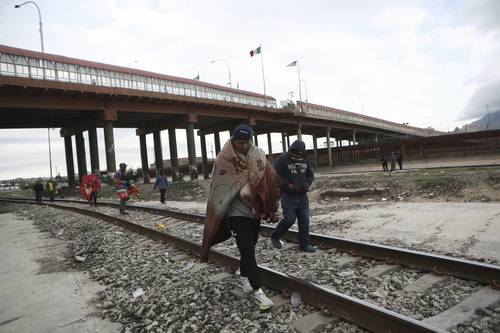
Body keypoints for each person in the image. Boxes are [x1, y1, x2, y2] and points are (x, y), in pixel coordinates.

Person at [201, 124, 281, 311]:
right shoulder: (224, 159)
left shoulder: (258, 155)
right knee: (246, 248)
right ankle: (257, 290)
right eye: (240, 142)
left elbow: (270, 177)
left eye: (247, 142)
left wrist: (256, 192)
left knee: (250, 245)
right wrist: (240, 189)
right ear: (233, 140)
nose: (244, 146)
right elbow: (219, 186)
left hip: (253, 211)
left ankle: (244, 277)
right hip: (235, 212)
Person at [271, 140, 316, 253]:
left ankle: (304, 245)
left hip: (302, 196)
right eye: (295, 153)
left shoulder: (305, 159)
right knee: (289, 219)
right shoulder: (282, 160)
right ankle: (275, 236)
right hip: (288, 196)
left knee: (304, 220)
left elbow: (310, 174)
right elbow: (275, 176)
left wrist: (307, 182)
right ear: (291, 150)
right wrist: (287, 185)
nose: (297, 155)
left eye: (300, 153)